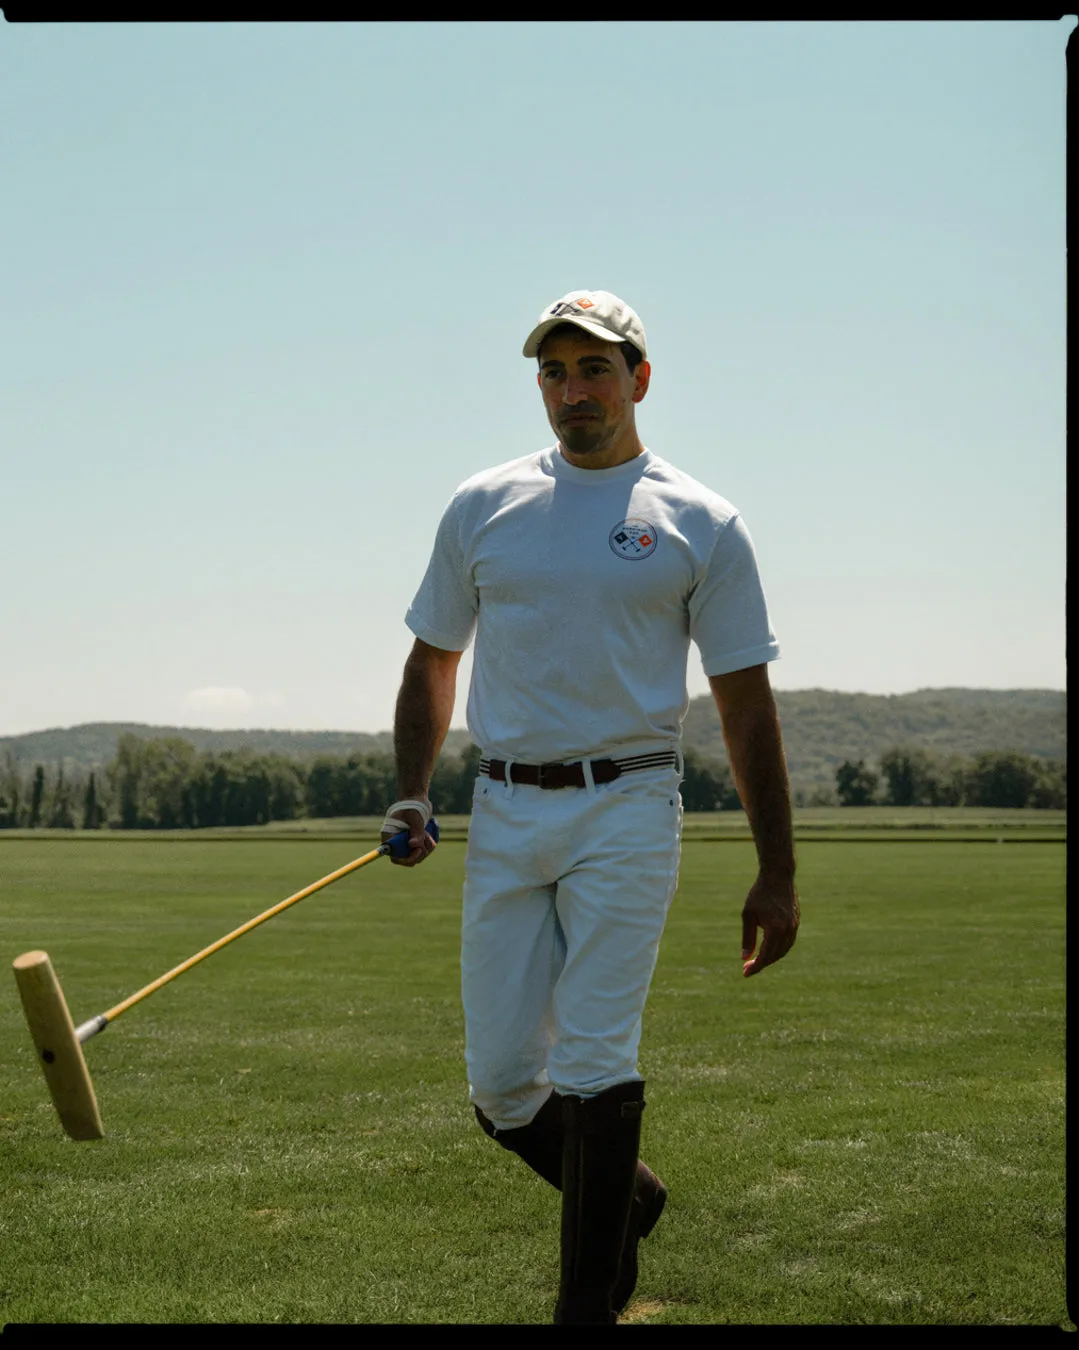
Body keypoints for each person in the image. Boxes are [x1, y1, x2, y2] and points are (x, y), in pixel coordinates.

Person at [380, 289, 800, 1325]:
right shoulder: (482, 504)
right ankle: (630, 1197)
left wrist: (775, 870)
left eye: (594, 370)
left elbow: (743, 705)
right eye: (554, 373)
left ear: (638, 380)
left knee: (595, 1056)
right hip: (505, 808)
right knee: (500, 1090)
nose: (572, 391)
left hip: (629, 803)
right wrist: (410, 790)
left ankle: (585, 1308)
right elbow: (433, 660)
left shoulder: (701, 522)